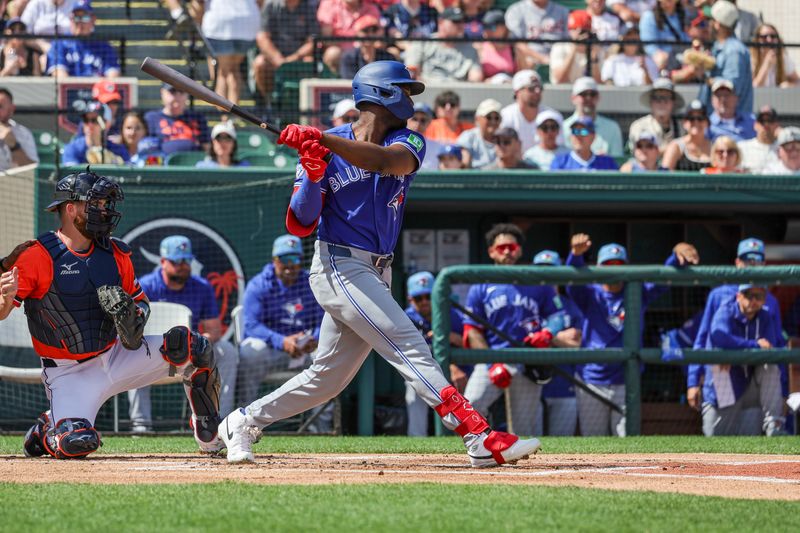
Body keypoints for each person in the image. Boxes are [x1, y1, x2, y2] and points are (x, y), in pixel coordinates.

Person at [218, 60, 541, 466]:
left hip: (376, 269)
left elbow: (385, 163)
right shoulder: (325, 146)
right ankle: (477, 434)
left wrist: (321, 141)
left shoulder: (408, 141)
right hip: (338, 263)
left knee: (326, 379)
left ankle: (243, 421)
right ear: (380, 93)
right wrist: (314, 171)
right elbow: (301, 223)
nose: (409, 99)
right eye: (404, 90)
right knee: (408, 343)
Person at [0, 169, 223, 458]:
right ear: (71, 209)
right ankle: (47, 431)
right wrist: (4, 297)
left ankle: (209, 431)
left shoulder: (117, 254)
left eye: (106, 204)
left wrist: (133, 317)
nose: (105, 210)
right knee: (78, 443)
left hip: (117, 355)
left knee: (194, 348)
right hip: (69, 373)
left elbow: (141, 302)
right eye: (97, 204)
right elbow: (2, 313)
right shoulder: (35, 255)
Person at [566, 233, 699, 436]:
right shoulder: (591, 293)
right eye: (609, 264)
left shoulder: (637, 291)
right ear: (599, 267)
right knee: (593, 441)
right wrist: (575, 256)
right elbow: (572, 282)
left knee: (626, 442)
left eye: (619, 264)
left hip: (626, 379)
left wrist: (676, 253)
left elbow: (663, 279)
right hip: (592, 379)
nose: (615, 269)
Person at [130, 235, 240, 430]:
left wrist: (203, 341)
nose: (183, 266)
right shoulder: (146, 286)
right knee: (135, 350)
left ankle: (221, 422)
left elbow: (214, 328)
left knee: (227, 350)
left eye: (186, 260)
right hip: (156, 349)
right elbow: (134, 327)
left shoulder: (202, 287)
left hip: (191, 351)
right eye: (177, 261)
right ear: (163, 262)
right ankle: (141, 426)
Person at [462, 224, 561, 437]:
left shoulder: (536, 282)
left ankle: (521, 467)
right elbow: (472, 330)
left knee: (523, 428)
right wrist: (491, 363)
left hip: (527, 360)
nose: (507, 251)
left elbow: (558, 317)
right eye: (501, 247)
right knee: (469, 408)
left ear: (520, 250)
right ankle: (482, 448)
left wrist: (547, 333)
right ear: (491, 252)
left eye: (512, 246)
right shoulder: (480, 285)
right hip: (492, 358)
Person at [688, 237, 785, 419]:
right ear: (737, 262)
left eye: (757, 261)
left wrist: (784, 389)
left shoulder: (770, 300)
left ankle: (773, 426)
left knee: (751, 432)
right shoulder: (718, 295)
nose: (752, 265)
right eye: (748, 260)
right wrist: (693, 380)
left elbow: (776, 345)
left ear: (764, 264)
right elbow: (703, 338)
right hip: (724, 373)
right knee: (720, 434)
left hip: (753, 373)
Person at [236, 235, 324, 412]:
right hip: (273, 351)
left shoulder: (311, 282)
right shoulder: (259, 285)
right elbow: (251, 325)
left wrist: (314, 338)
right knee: (250, 351)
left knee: (326, 355)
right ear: (275, 260)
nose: (291, 265)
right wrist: (282, 341)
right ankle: (244, 417)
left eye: (296, 258)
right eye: (285, 259)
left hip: (305, 351)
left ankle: (321, 425)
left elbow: (326, 319)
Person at [696, 284, 786, 436]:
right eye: (749, 295)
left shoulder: (765, 316)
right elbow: (720, 338)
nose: (754, 300)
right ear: (739, 296)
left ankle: (774, 427)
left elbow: (769, 349)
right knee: (714, 439)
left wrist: (733, 352)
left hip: (751, 385)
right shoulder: (725, 311)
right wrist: (754, 345)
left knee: (769, 367)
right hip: (725, 381)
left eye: (759, 297)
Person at [403, 271, 470, 437]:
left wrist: (454, 338)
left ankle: (465, 438)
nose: (425, 302)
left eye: (428, 296)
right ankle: (417, 441)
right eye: (419, 298)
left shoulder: (452, 314)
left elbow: (472, 344)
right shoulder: (405, 318)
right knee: (413, 388)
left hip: (460, 372)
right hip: (424, 371)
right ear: (410, 299)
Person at [531, 250, 583, 436]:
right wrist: (559, 337)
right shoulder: (529, 301)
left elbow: (580, 342)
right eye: (541, 270)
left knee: (562, 443)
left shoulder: (570, 305)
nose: (546, 275)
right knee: (529, 440)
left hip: (564, 383)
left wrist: (543, 336)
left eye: (551, 270)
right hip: (531, 382)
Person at [253, 0, 319, 105]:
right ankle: (269, 103)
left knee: (312, 63)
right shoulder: (271, 5)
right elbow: (262, 37)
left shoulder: (308, 7)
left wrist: (293, 58)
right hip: (274, 59)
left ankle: (306, 106)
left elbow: (313, 41)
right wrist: (277, 58)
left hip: (300, 59)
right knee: (260, 63)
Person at [699, 0, 753, 117]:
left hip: (733, 126)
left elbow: (730, 86)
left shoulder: (734, 51)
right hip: (719, 121)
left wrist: (706, 78)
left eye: (710, 20)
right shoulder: (719, 46)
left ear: (717, 24)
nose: (708, 24)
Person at [405, 7, 483, 83]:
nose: (461, 25)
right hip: (428, 89)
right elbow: (411, 72)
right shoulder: (423, 43)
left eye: (463, 21)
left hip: (458, 92)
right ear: (440, 22)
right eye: (455, 21)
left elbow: (475, 78)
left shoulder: (470, 49)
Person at [46, 1, 120, 78]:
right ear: (70, 19)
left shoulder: (104, 46)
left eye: (85, 18)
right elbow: (59, 74)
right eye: (76, 18)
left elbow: (113, 75)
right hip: (69, 89)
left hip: (96, 88)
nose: (80, 23)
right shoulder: (59, 43)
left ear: (93, 20)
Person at [500, 69, 561, 154]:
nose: (537, 91)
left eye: (540, 88)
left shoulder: (554, 116)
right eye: (531, 88)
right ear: (517, 92)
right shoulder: (505, 116)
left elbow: (559, 149)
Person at [317, 0, 382, 75]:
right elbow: (326, 39)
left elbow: (378, 36)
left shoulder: (370, 7)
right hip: (341, 50)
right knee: (333, 53)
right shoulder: (329, 4)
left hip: (364, 50)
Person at [562, 77, 623, 157]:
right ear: (573, 98)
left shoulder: (612, 128)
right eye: (583, 94)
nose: (588, 98)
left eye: (592, 94)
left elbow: (617, 160)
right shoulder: (563, 128)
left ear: (598, 97)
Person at [144, 83, 210, 155]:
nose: (177, 97)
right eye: (173, 92)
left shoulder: (198, 117)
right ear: (162, 93)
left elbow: (206, 148)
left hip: (193, 163)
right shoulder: (151, 118)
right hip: (162, 163)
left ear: (187, 94)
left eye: (181, 92)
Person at [504, 0, 569, 70]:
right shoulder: (516, 10)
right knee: (525, 59)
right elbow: (518, 43)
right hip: (530, 58)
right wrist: (542, 58)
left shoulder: (562, 11)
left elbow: (569, 40)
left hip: (559, 58)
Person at [61, 100, 129, 166]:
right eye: (86, 120)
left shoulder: (119, 150)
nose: (90, 125)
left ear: (107, 123)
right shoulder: (72, 148)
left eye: (94, 120)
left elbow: (129, 174)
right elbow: (72, 175)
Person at [628, 78, 684, 155]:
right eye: (657, 98)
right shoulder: (639, 126)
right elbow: (641, 153)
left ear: (673, 102)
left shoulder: (682, 128)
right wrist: (672, 149)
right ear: (651, 102)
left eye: (666, 98)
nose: (661, 102)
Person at [549, 10, 603, 84]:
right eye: (575, 29)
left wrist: (593, 58)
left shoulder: (596, 49)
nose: (581, 35)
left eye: (585, 30)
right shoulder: (560, 47)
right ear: (569, 30)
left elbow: (599, 84)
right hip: (562, 93)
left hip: (587, 93)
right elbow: (560, 80)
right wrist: (574, 50)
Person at [339, 14, 397, 79]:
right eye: (365, 31)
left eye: (374, 30)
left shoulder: (387, 58)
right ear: (357, 33)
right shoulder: (348, 57)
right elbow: (349, 81)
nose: (370, 34)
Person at [600, 23, 658, 88]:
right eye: (628, 38)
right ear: (622, 40)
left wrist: (645, 71)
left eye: (635, 39)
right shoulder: (612, 61)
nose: (632, 41)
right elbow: (607, 84)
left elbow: (653, 88)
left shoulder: (648, 61)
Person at [551, 117, 618, 171]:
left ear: (593, 136)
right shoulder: (560, 162)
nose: (578, 136)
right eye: (575, 131)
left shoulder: (607, 163)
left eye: (583, 131)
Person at [661, 99, 711, 171]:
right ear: (684, 123)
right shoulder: (676, 146)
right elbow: (664, 175)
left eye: (700, 118)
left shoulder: (714, 147)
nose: (696, 122)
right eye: (691, 119)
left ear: (707, 123)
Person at [639, 0, 688, 72]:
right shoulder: (649, 16)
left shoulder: (684, 14)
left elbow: (688, 39)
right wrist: (657, 54)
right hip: (663, 64)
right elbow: (649, 45)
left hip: (682, 59)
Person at [456, 98, 501, 169]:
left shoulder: (505, 139)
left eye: (497, 118)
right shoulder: (469, 137)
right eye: (488, 117)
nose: (493, 121)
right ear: (477, 118)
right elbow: (464, 165)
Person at [751, 23, 799, 88]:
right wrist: (766, 65)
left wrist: (788, 85)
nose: (769, 40)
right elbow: (754, 88)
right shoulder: (750, 59)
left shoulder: (783, 58)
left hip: (777, 97)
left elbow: (797, 81)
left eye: (773, 36)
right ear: (757, 40)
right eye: (764, 37)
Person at [0, 87, 38, 171]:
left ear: (11, 109)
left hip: (13, 182)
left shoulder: (23, 133)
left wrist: (14, 146)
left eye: (0, 106)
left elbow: (33, 171)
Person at [739, 106, 780, 174]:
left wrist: (784, 134)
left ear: (776, 125)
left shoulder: (784, 149)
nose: (766, 124)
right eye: (762, 121)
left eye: (770, 121)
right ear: (755, 125)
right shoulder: (742, 147)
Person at [478, 9, 515, 83]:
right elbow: (477, 77)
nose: (487, 30)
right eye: (485, 27)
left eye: (491, 27)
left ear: (503, 28)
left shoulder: (514, 48)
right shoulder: (479, 48)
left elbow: (520, 74)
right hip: (488, 90)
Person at [406, 102, 441, 171]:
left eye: (423, 120)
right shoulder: (396, 141)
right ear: (407, 120)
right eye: (414, 119)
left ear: (429, 123)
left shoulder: (437, 147)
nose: (418, 124)